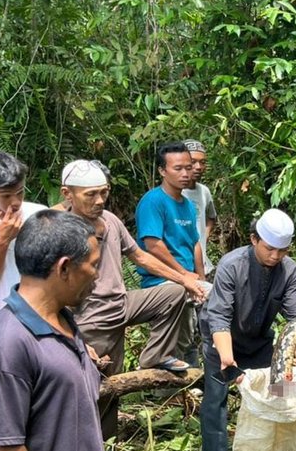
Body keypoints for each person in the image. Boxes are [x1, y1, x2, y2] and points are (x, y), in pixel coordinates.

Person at [59, 159, 204, 438]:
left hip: (121, 303)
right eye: (91, 194)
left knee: (173, 292)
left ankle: (156, 356)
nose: (99, 200)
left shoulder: (111, 220)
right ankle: (97, 441)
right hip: (90, 317)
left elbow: (140, 256)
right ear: (68, 194)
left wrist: (184, 278)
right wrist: (73, 334)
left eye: (104, 192)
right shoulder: (61, 229)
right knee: (101, 387)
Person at [0, 210, 103, 451]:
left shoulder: (63, 320)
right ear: (64, 268)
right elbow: (4, 447)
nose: (97, 275)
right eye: (94, 265)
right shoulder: (9, 341)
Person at [199, 209, 296, 451]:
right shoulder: (231, 265)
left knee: (278, 393)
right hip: (222, 341)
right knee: (216, 400)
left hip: (259, 342)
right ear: (254, 239)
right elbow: (219, 316)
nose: (275, 256)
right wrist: (227, 359)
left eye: (282, 251)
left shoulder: (289, 270)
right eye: (269, 249)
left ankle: (272, 445)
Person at [136, 142, 204, 363]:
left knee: (191, 336)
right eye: (178, 168)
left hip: (188, 280)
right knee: (175, 341)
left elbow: (194, 243)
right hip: (162, 282)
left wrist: (200, 278)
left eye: (188, 167)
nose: (185, 173)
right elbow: (152, 244)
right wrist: (183, 275)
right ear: (162, 171)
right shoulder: (153, 201)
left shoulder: (187, 205)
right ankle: (163, 382)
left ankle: (196, 378)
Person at [0, 151, 47, 314]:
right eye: (6, 196)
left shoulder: (38, 214)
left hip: (45, 311)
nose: (16, 202)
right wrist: (2, 240)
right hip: (4, 315)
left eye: (20, 192)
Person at [182, 139, 217, 277]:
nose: (198, 167)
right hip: (182, 268)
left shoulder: (204, 191)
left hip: (203, 266)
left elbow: (211, 217)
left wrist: (204, 235)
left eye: (202, 162)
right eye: (193, 161)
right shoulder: (174, 193)